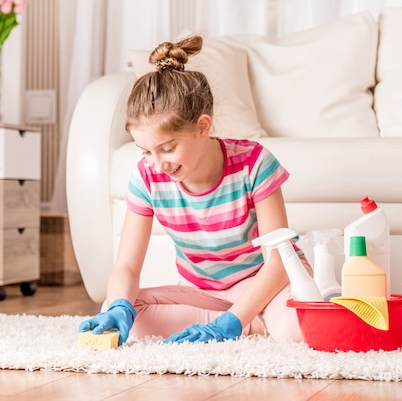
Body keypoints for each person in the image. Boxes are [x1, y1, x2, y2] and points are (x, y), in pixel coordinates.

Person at [78, 35, 312, 345]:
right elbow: (127, 266)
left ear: (203, 127)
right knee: (121, 309)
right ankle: (251, 325)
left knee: (297, 331)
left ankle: (243, 322)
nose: (158, 164)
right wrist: (120, 305)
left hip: (268, 284)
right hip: (203, 293)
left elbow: (278, 261)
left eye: (168, 148)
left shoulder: (254, 163)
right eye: (145, 151)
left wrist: (232, 319)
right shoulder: (147, 177)